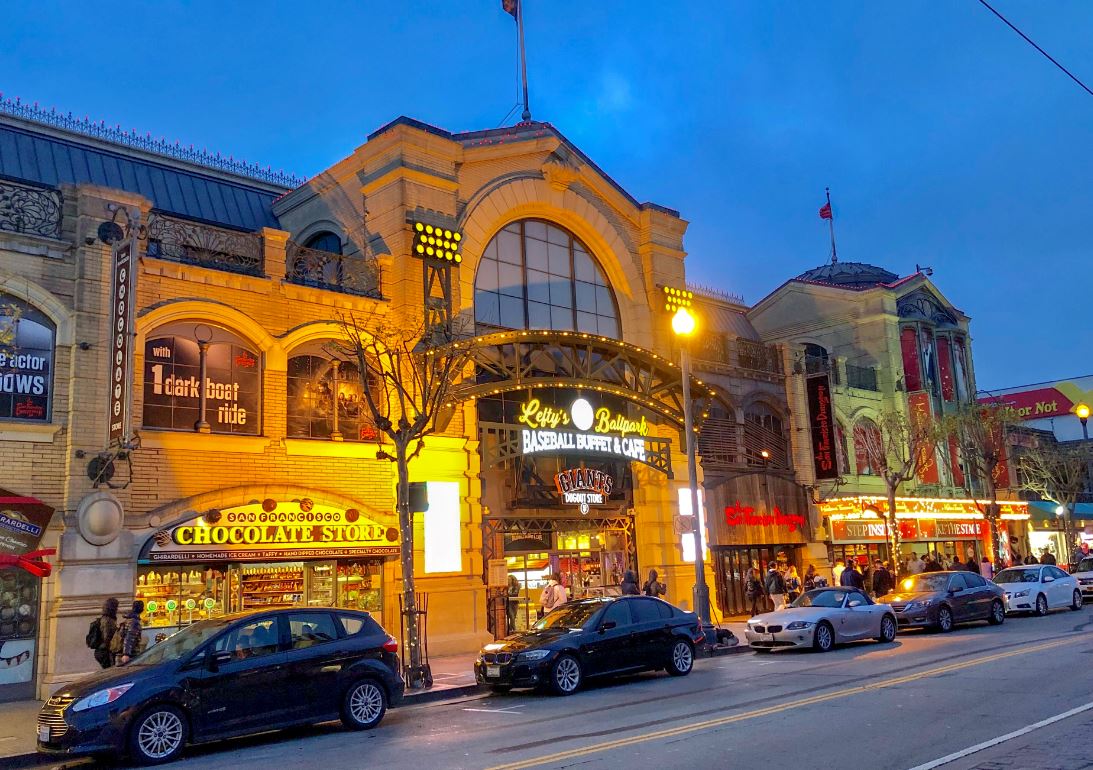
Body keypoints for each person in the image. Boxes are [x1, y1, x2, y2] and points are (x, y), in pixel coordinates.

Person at [111, 600, 145, 666]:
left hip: (121, 653)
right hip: (131, 655)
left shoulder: (128, 620)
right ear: (142, 609)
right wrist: (126, 654)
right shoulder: (134, 622)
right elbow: (129, 637)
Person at [88, 598, 118, 669]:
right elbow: (107, 637)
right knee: (109, 670)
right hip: (105, 651)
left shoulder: (105, 618)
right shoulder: (108, 621)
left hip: (101, 650)